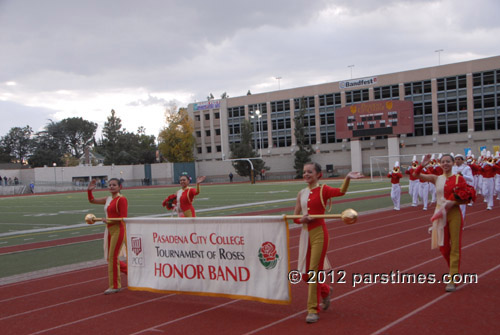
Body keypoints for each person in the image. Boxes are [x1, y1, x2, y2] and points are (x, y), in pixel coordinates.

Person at [293, 162, 362, 323]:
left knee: (313, 272)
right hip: (305, 235)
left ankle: (312, 310)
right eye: (304, 172)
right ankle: (325, 291)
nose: (306, 175)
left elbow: (341, 192)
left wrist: (347, 178)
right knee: (305, 275)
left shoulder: (324, 190)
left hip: (319, 235)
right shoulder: (301, 193)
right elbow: (295, 216)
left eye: (310, 172)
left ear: (318, 174)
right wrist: (300, 219)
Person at [413, 154, 475, 292]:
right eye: (443, 162)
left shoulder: (459, 178)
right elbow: (416, 175)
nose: (445, 164)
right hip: (439, 215)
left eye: (448, 161)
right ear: (440, 164)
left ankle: (453, 277)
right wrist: (422, 165)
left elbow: (465, 198)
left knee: (455, 246)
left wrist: (451, 203)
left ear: (453, 163)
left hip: (454, 214)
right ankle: (454, 271)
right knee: (443, 246)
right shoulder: (436, 178)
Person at [87, 178, 128, 295]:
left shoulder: (122, 199)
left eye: (114, 185)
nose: (111, 187)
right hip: (109, 230)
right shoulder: (107, 199)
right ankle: (131, 271)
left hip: (118, 229)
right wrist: (89, 191)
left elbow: (123, 218)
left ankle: (115, 285)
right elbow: (92, 200)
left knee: (113, 257)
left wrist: (108, 221)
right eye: (110, 185)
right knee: (110, 258)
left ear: (120, 187)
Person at [452, 153, 474, 224]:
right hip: (453, 189)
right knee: (453, 207)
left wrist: (463, 175)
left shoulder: (466, 168)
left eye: (459, 159)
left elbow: (471, 179)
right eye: (456, 159)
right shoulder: (453, 168)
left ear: (462, 160)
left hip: (462, 189)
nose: (457, 161)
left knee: (462, 207)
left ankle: (461, 223)